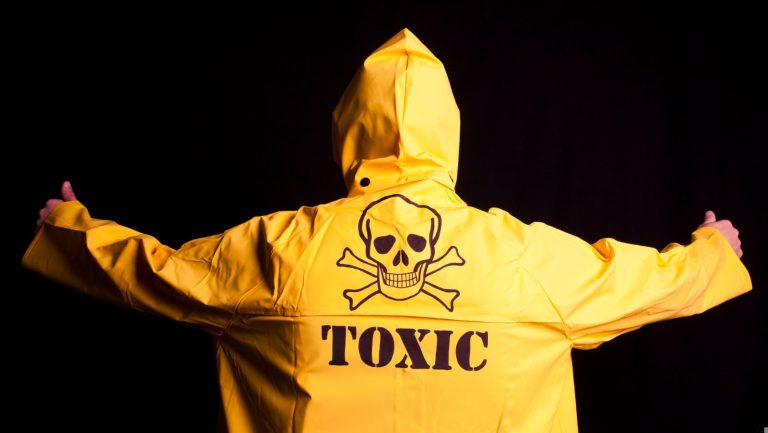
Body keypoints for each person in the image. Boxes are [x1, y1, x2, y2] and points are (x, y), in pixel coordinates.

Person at [24, 28, 750, 433]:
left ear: (348, 129)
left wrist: (68, 231)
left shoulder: (285, 250)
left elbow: (153, 271)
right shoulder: (522, 259)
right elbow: (652, 282)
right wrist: (714, 253)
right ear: (450, 133)